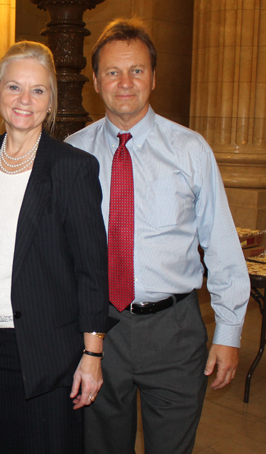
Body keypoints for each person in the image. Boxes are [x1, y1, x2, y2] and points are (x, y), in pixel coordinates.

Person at [66, 18, 250, 454]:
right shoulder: (72, 154)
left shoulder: (190, 150)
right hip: (97, 331)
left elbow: (220, 244)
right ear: (95, 80)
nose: (124, 82)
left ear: (154, 77)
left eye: (136, 70)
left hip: (174, 332)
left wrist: (228, 331)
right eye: (112, 71)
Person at [0, 41, 112, 454]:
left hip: (49, 351)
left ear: (51, 104)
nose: (24, 100)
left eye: (38, 90)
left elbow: (92, 271)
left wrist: (92, 354)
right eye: (14, 87)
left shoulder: (71, 168)